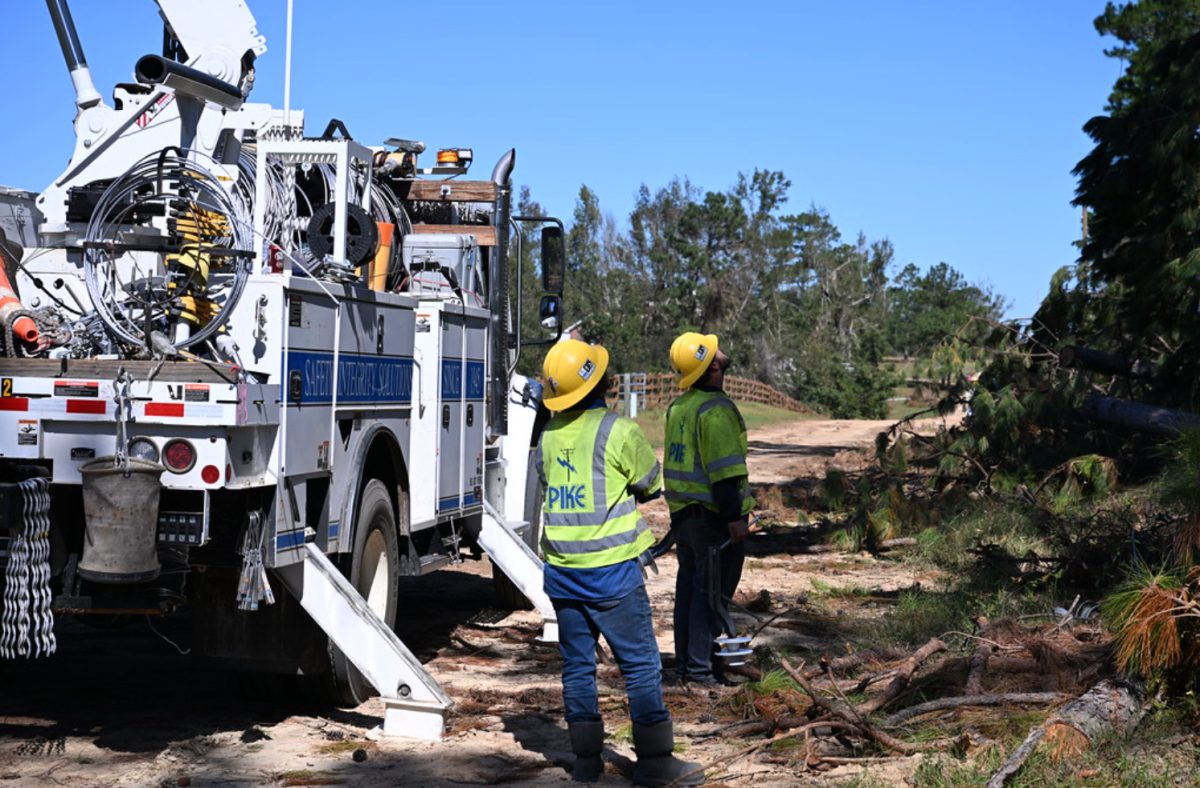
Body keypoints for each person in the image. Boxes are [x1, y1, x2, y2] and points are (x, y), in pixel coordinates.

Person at [536, 339, 702, 786]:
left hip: (563, 572)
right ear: (602, 384)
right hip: (612, 574)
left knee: (577, 665)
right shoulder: (618, 430)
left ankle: (586, 761)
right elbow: (650, 483)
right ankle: (655, 762)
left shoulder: (549, 435)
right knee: (641, 665)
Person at [663, 332, 756, 686]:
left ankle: (690, 668)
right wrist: (735, 519)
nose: (721, 349)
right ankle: (701, 676)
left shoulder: (680, 406)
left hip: (685, 518)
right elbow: (724, 472)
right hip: (714, 518)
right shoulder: (715, 410)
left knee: (689, 594)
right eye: (714, 349)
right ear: (712, 364)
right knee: (711, 598)